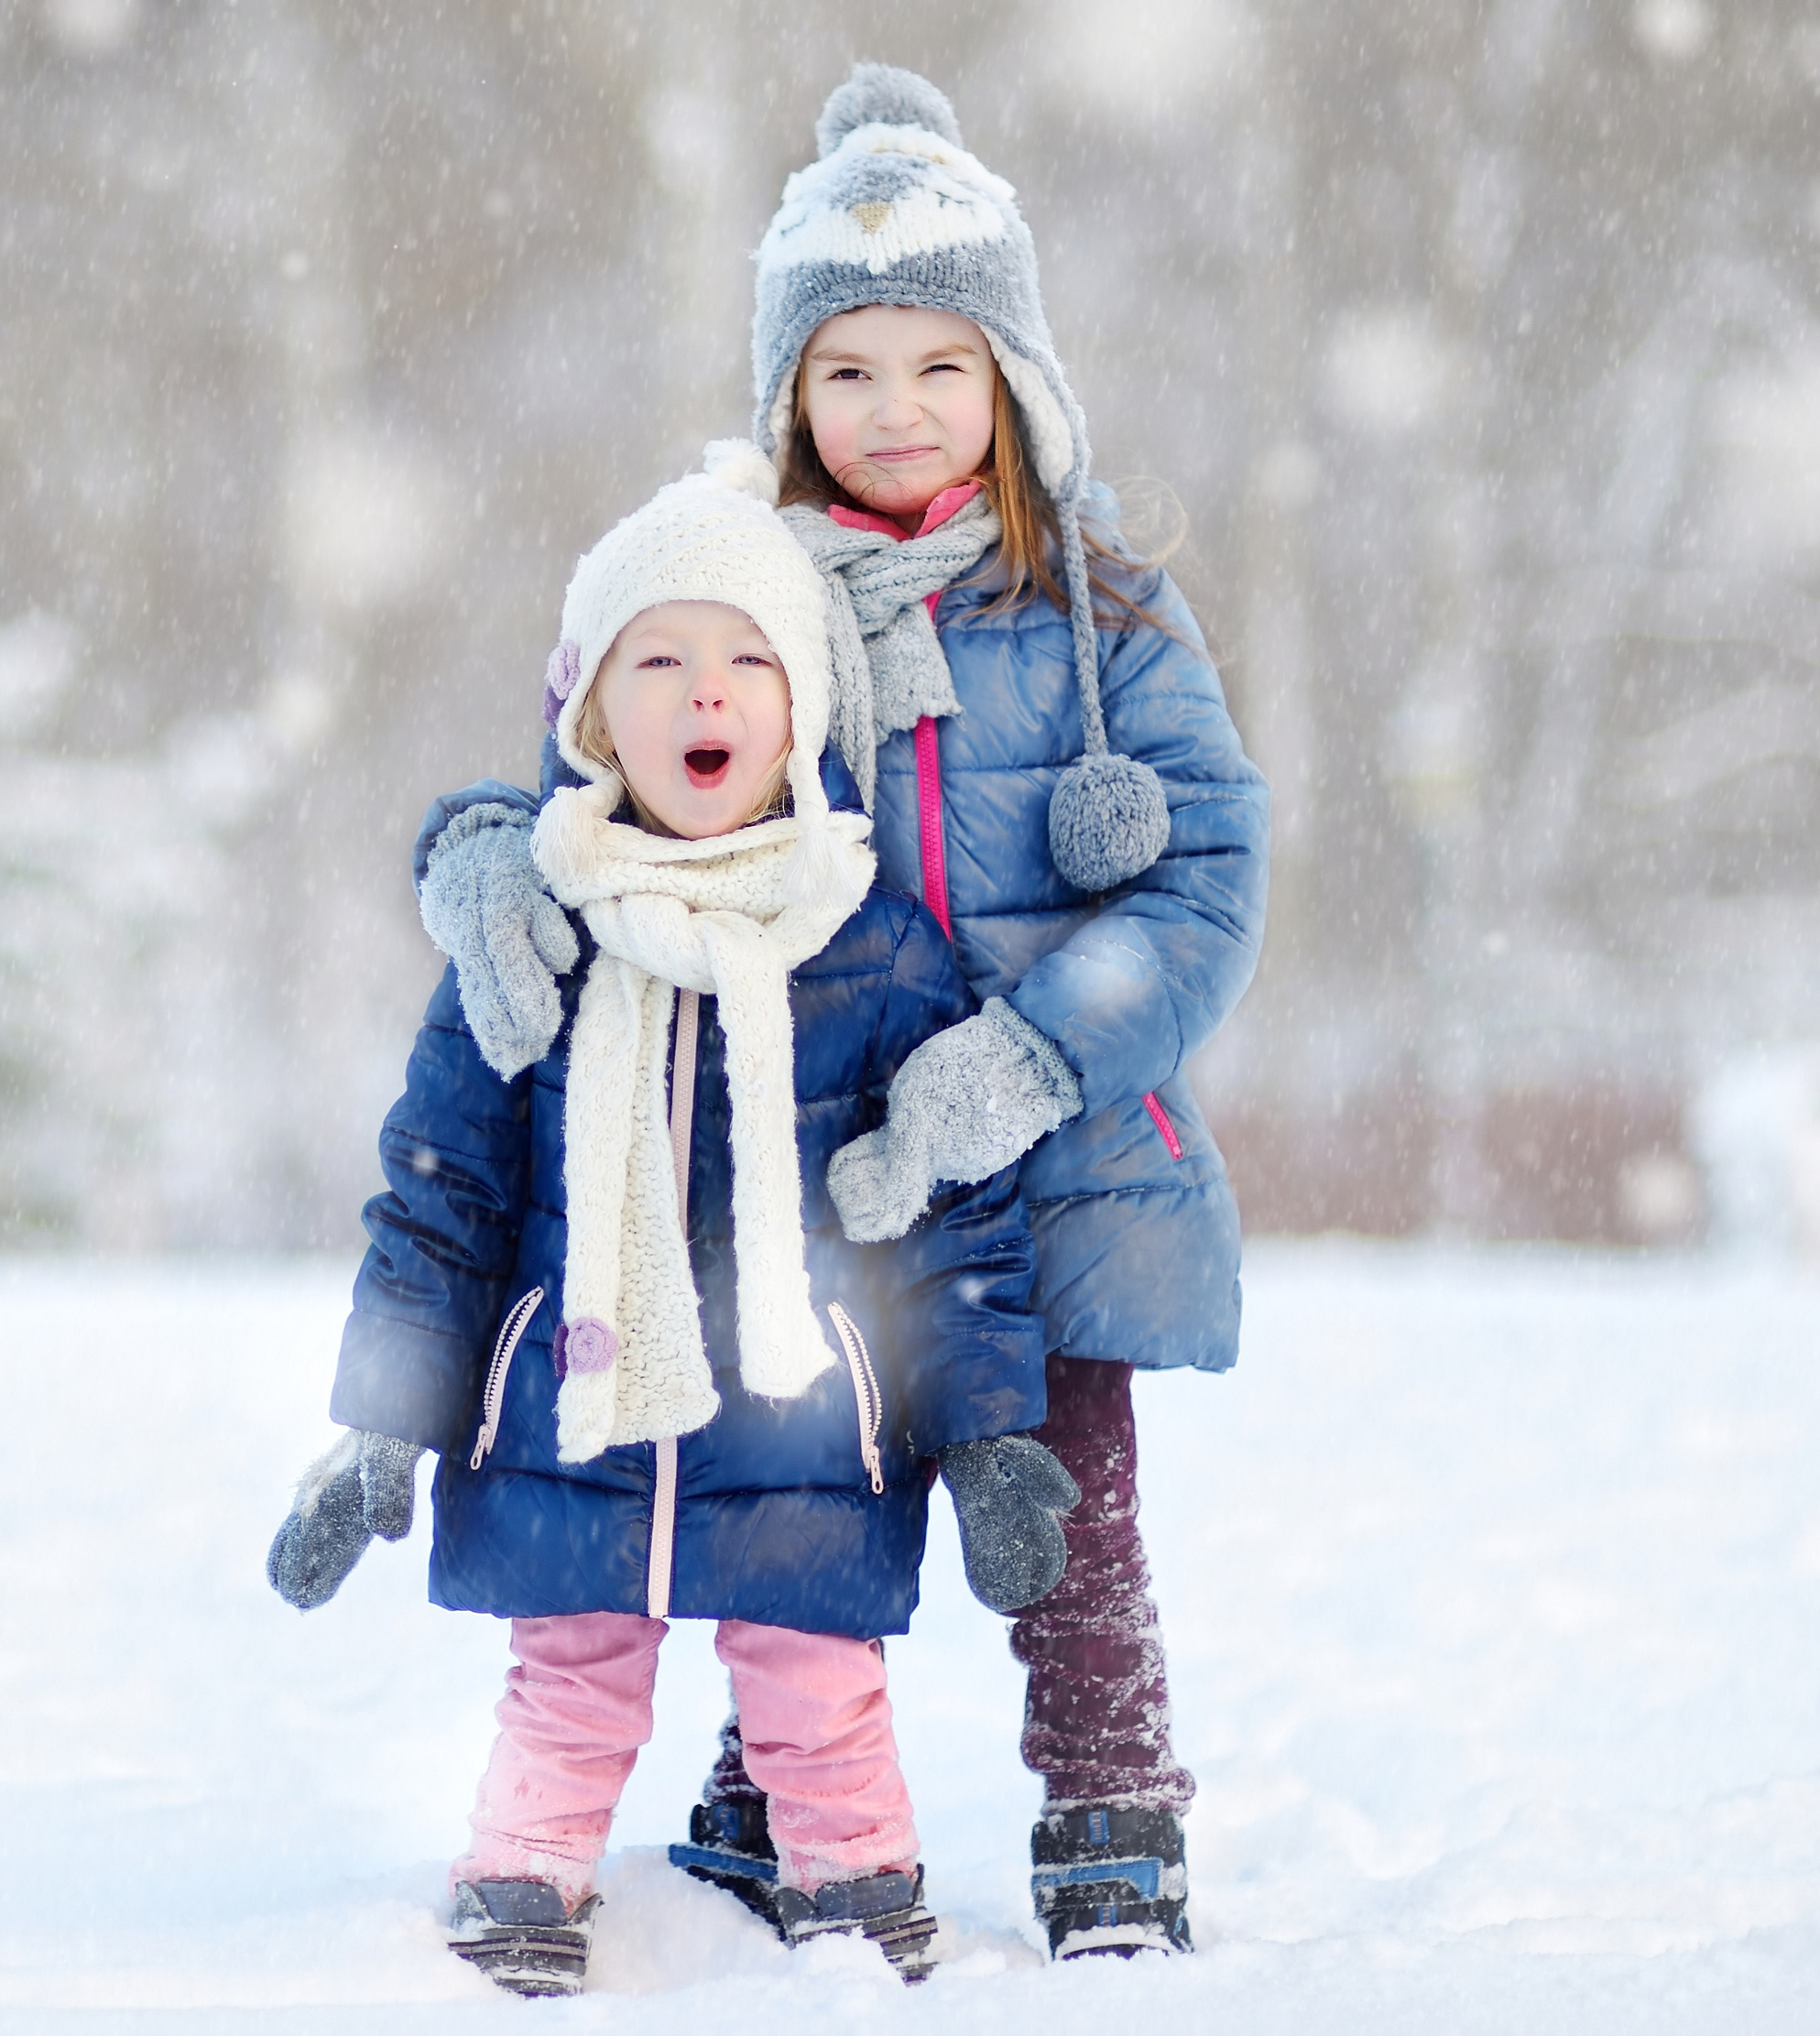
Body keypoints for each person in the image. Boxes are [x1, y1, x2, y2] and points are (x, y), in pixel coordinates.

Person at [410, 64, 1269, 1960]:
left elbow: (1206, 874)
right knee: (789, 1475)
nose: (894, 411)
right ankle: (764, 1784)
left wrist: (1028, 1054)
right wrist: (477, 855)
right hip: (799, 1145)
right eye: (849, 370)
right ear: (791, 395)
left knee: (1068, 1508)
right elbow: (589, 762)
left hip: (1061, 1157)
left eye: (939, 367)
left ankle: (1110, 1804)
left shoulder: (1103, 607)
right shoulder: (750, 586)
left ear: (1015, 385)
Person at [264, 460, 1074, 1998]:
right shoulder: (535, 939)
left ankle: (855, 1885)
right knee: (567, 1669)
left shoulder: (877, 947)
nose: (708, 693)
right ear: (592, 715)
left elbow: (954, 1218)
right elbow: (441, 1194)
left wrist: (987, 1434)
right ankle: (522, 1881)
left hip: (804, 1417)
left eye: (749, 661)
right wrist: (384, 1426)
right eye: (662, 660)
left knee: (816, 1677)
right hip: (580, 1395)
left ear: (801, 711)